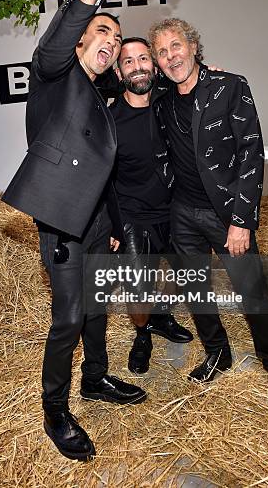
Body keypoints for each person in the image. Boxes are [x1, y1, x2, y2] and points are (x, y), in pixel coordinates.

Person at [2, 0, 157, 462]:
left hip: (95, 223)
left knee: (96, 310)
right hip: (62, 224)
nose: (110, 41)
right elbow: (49, 48)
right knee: (68, 317)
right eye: (101, 32)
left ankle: (94, 380)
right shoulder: (56, 75)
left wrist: (112, 223)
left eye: (115, 36)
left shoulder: (99, 93)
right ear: (78, 42)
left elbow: (104, 171)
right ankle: (55, 411)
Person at [147, 18, 268, 412]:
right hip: (182, 213)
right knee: (195, 290)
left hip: (225, 212)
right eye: (161, 52)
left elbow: (252, 152)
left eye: (175, 46)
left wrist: (242, 220)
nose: (170, 56)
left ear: (193, 46)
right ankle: (217, 353)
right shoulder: (161, 97)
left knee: (253, 291)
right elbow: (119, 82)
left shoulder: (230, 86)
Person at [110, 37, 193, 374]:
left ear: (154, 65)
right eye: (128, 61)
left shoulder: (170, 103)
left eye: (143, 58)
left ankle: (161, 315)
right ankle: (142, 332)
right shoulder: (109, 118)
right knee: (138, 289)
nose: (138, 66)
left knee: (181, 274)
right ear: (118, 72)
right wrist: (111, 226)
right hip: (132, 217)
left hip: (176, 211)